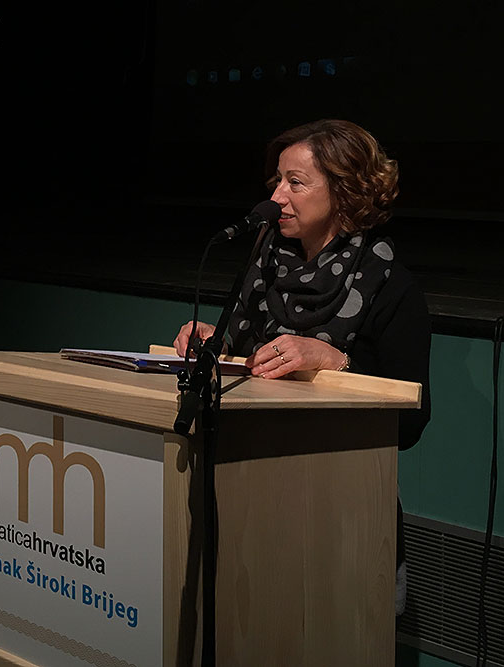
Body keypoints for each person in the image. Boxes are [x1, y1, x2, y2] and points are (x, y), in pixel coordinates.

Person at [173, 119, 431, 616]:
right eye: (277, 180)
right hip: (253, 503)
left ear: (346, 191)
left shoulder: (392, 287)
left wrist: (338, 364)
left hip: (343, 515)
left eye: (295, 182)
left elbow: (412, 424)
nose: (276, 197)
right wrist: (214, 345)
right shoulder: (264, 268)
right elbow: (249, 368)